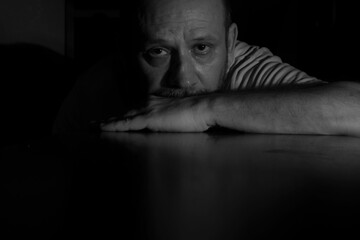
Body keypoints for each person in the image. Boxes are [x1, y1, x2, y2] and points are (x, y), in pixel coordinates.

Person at [53, 0, 360, 136]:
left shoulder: (247, 68)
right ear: (123, 51)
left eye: (202, 48)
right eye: (158, 51)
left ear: (230, 42)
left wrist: (203, 108)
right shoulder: (95, 88)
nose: (184, 77)